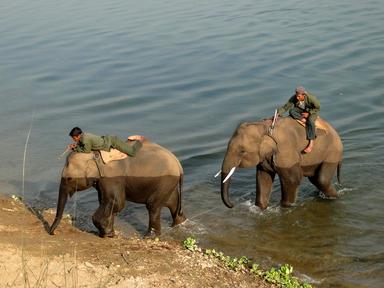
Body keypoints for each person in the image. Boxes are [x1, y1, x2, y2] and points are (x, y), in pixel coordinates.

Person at [276, 86, 320, 153]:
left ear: (303, 95)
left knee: (310, 121)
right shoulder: (294, 97)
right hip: (301, 110)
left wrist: (309, 113)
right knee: (292, 111)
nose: (297, 98)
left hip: (311, 111)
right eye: (296, 96)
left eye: (299, 96)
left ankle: (311, 143)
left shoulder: (311, 98)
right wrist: (278, 113)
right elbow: (286, 107)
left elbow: (318, 108)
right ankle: (303, 120)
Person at [68, 127, 144, 156]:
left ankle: (140, 141)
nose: (73, 139)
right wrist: (76, 145)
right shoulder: (84, 135)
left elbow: (86, 150)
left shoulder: (85, 139)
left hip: (112, 141)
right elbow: (83, 144)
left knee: (132, 153)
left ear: (78, 136)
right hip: (108, 139)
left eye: (74, 138)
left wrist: (75, 149)